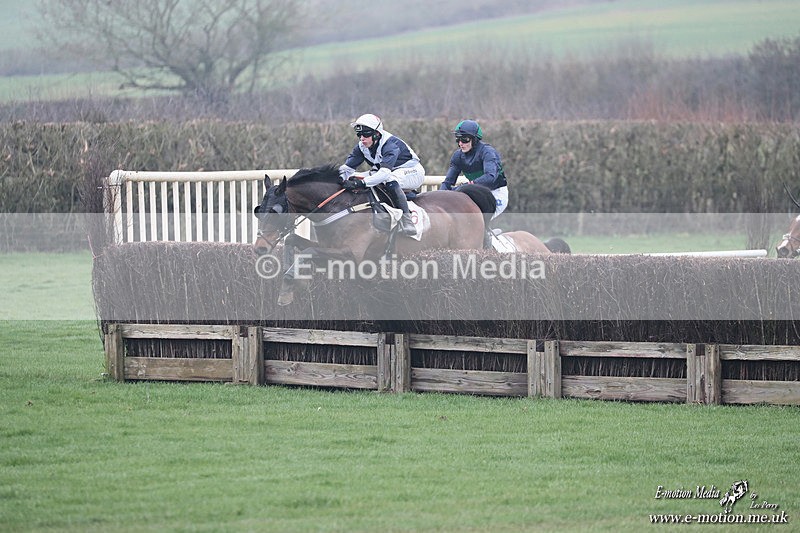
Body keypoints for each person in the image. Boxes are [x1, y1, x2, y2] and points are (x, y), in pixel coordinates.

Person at [339, 113, 424, 235]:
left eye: (366, 134)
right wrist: (336, 179)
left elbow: (384, 174)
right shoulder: (361, 147)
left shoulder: (390, 145)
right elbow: (346, 169)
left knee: (389, 179)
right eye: (359, 135)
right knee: (354, 177)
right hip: (388, 171)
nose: (362, 138)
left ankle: (407, 220)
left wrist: (362, 183)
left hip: (412, 171)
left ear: (376, 134)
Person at [439, 119, 509, 248]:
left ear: (474, 140)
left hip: (495, 194)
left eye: (464, 140)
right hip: (475, 193)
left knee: (475, 221)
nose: (460, 143)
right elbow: (448, 182)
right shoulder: (457, 156)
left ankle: (487, 246)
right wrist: (439, 197)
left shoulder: (488, 152)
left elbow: (490, 177)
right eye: (458, 139)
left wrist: (468, 186)